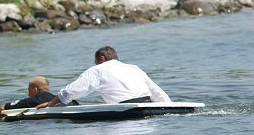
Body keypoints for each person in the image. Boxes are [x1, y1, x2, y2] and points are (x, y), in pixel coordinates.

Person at [36, 46, 171, 108]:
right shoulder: (133, 68)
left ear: (101, 58)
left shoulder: (98, 70)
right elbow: (156, 91)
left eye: (95, 62)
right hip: (149, 109)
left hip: (126, 114)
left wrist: (51, 104)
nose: (94, 64)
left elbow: (72, 91)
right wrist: (170, 106)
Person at [0, 76, 72, 118]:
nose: (28, 93)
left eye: (29, 90)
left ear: (34, 90)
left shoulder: (30, 101)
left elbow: (4, 108)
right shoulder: (62, 100)